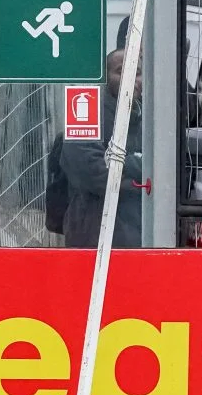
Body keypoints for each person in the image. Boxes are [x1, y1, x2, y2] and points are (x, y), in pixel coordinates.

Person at [59, 49, 144, 247]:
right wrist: (142, 181)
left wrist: (118, 163)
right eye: (121, 70)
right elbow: (96, 175)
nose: (130, 77)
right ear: (105, 77)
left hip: (140, 241)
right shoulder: (86, 114)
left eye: (137, 71)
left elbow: (165, 168)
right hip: (93, 239)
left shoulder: (148, 117)